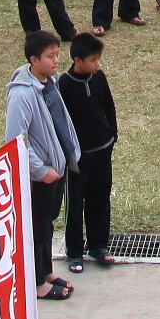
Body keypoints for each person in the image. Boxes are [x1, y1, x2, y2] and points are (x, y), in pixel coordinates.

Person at [7, 30, 82, 300]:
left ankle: (46, 271)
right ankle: (36, 282)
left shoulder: (51, 82)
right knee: (35, 229)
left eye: (57, 54)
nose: (56, 61)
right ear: (34, 60)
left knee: (47, 224)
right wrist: (41, 170)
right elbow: (15, 141)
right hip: (40, 175)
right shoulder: (21, 95)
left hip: (56, 168)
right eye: (50, 56)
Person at [62, 31, 122, 270]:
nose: (98, 64)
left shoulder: (99, 77)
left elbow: (109, 105)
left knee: (100, 199)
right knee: (75, 204)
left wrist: (112, 134)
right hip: (78, 157)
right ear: (77, 61)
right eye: (93, 60)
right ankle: (75, 251)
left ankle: (99, 245)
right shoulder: (64, 85)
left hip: (102, 150)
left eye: (99, 59)